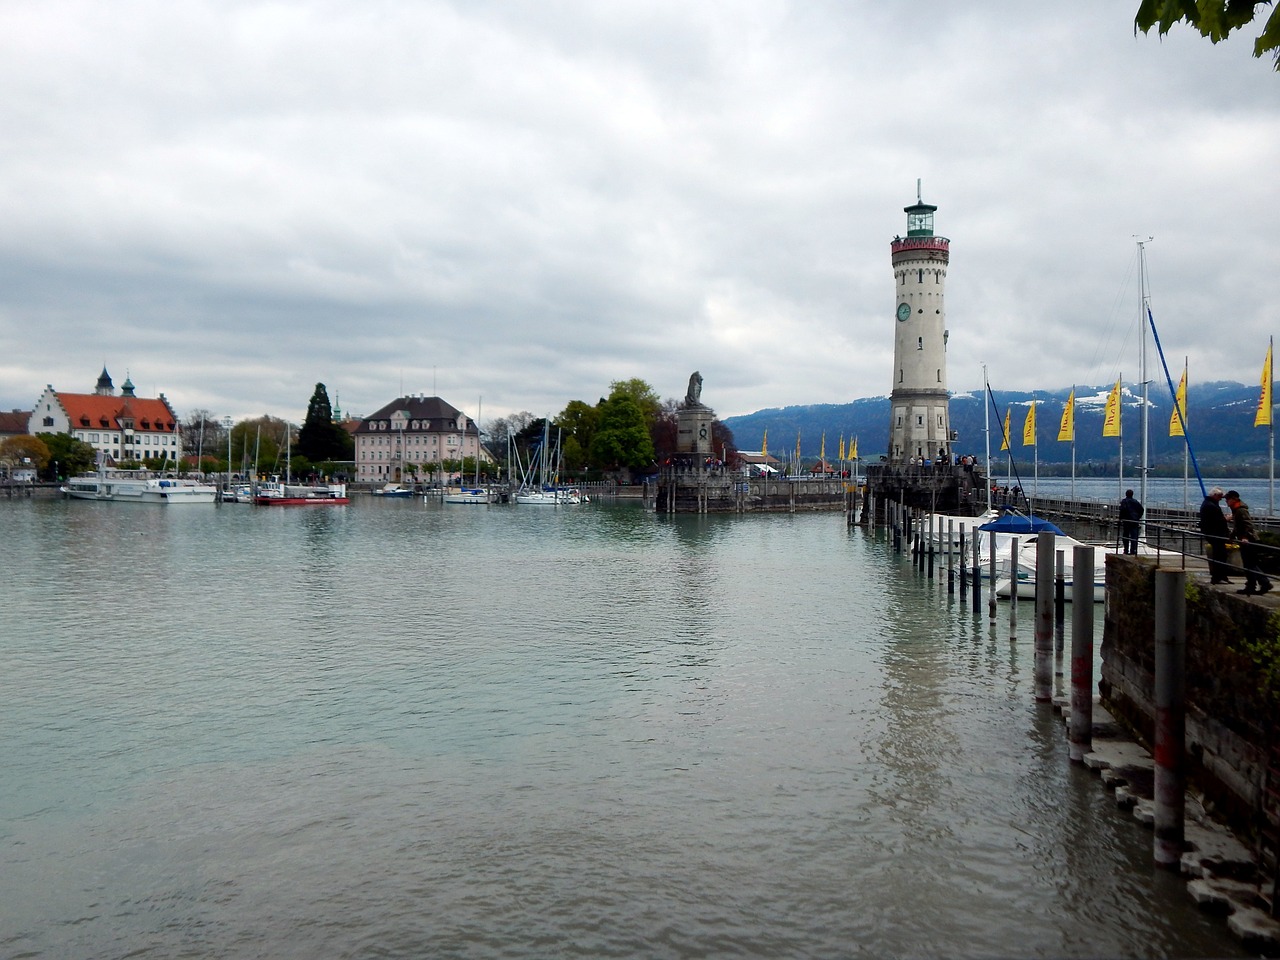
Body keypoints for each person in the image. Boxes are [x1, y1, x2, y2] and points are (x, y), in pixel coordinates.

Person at [1225, 491, 1272, 595]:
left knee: (1249, 564)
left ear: (1234, 499)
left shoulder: (1241, 510)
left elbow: (1248, 524)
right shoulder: (1236, 510)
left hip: (1248, 540)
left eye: (1227, 499)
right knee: (1250, 564)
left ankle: (1258, 584)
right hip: (1245, 539)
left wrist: (1245, 537)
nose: (1226, 501)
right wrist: (1232, 537)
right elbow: (1237, 527)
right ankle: (1258, 584)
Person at [1199, 487, 1233, 584]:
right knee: (1220, 555)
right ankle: (1218, 577)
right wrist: (1226, 519)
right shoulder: (1211, 506)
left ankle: (1221, 576)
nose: (1220, 499)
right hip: (1215, 534)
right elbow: (1216, 521)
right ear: (1215, 496)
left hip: (1212, 533)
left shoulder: (1208, 504)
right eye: (1219, 497)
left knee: (1220, 555)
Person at [1118, 488, 1144, 555]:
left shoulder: (1124, 501)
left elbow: (1122, 510)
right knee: (1134, 537)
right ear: (1132, 495)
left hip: (1127, 521)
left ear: (1126, 494)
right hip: (1135, 521)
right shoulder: (1135, 501)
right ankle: (1133, 550)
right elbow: (1141, 509)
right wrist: (1138, 517)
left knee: (1125, 536)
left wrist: (1120, 518)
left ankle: (1126, 550)